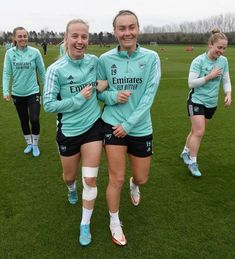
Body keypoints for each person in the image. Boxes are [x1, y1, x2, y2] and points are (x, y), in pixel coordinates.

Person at [97, 10, 161, 246]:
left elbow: (149, 95)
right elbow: (100, 91)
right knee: (116, 178)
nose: (127, 32)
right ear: (114, 32)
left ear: (138, 29)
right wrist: (113, 97)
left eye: (131, 27)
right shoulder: (104, 60)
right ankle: (114, 221)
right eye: (121, 28)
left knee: (141, 178)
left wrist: (129, 124)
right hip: (112, 125)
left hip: (140, 126)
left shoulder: (152, 57)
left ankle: (136, 186)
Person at [43, 19, 107, 246]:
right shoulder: (55, 70)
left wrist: (102, 88)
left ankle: (85, 224)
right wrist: (78, 99)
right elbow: (49, 105)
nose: (80, 41)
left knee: (90, 179)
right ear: (67, 37)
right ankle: (71, 189)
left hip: (93, 129)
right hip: (68, 132)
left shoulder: (95, 61)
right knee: (70, 177)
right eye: (75, 36)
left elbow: (103, 83)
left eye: (84, 37)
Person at [180, 28, 232, 177]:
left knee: (195, 131)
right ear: (210, 44)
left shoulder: (223, 61)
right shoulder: (198, 61)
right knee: (199, 131)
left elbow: (226, 79)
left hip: (211, 103)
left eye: (224, 48)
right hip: (196, 100)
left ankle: (185, 152)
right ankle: (192, 162)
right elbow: (191, 83)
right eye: (219, 47)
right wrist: (209, 76)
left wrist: (228, 93)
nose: (221, 51)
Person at [2, 27, 45, 157]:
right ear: (14, 38)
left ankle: (36, 145)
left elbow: (42, 72)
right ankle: (29, 144)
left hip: (33, 91)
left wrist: (49, 89)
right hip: (17, 93)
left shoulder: (35, 52)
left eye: (25, 36)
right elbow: (6, 73)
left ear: (27, 37)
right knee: (24, 120)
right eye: (19, 36)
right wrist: (5, 91)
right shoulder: (9, 53)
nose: (23, 39)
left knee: (34, 118)